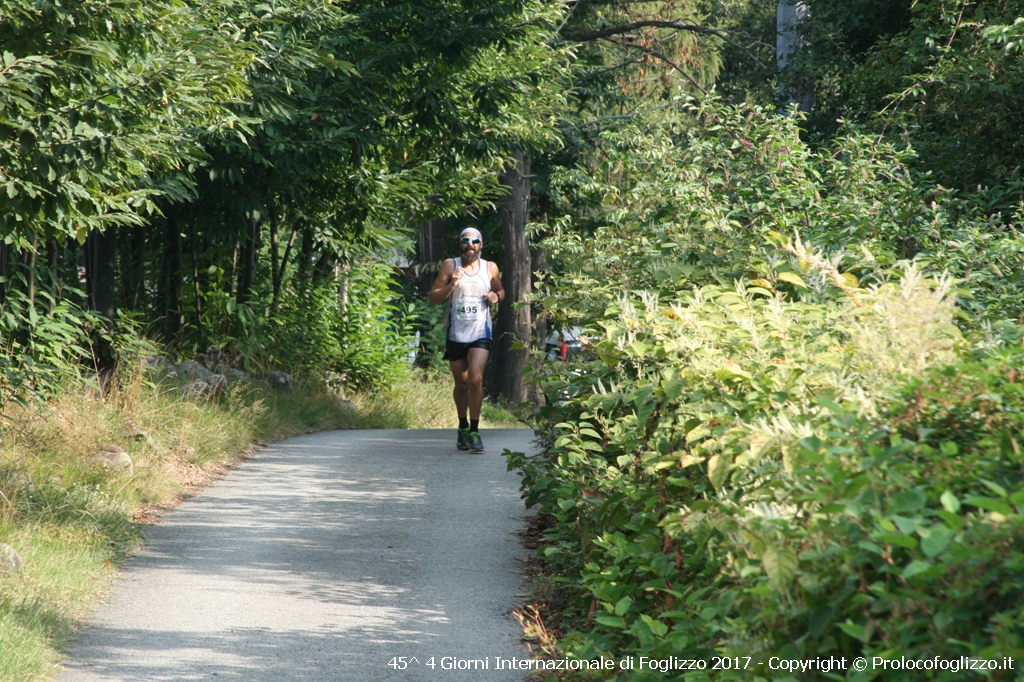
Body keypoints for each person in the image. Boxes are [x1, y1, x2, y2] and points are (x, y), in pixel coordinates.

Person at [428, 226, 504, 453]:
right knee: (461, 385)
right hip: (456, 334)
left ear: (481, 245)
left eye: (474, 241)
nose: (470, 244)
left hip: (480, 333)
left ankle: (474, 430)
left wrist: (495, 296)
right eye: (465, 240)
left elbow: (501, 291)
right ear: (460, 244)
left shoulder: (490, 267)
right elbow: (433, 297)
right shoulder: (450, 265)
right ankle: (462, 426)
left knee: (475, 380)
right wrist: (451, 285)